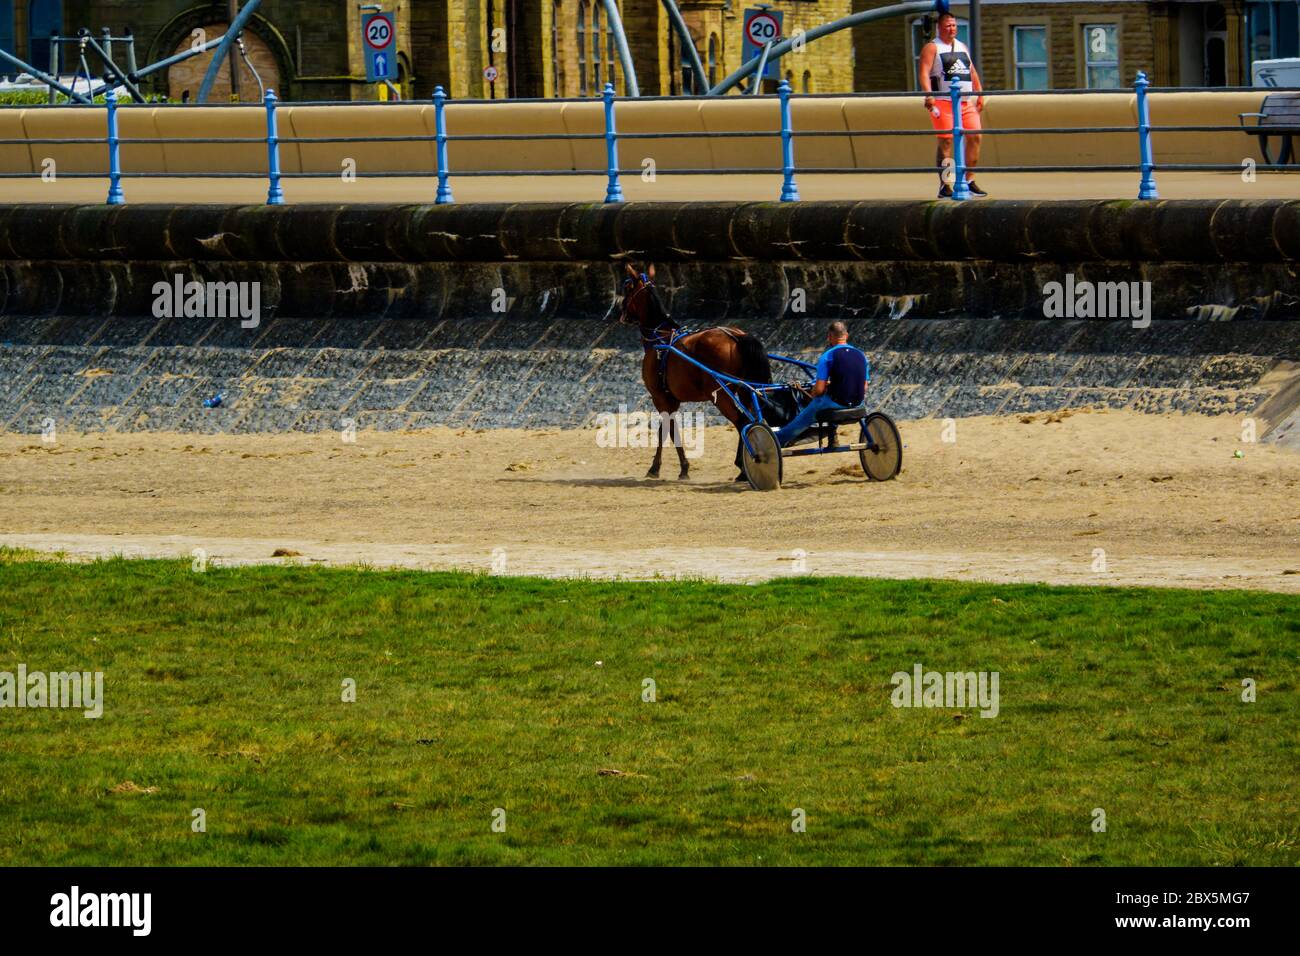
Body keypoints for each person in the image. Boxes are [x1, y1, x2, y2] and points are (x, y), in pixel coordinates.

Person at [918, 13, 987, 198]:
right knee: (946, 140)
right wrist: (929, 95)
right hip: (943, 101)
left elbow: (971, 71)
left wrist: (979, 93)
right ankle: (945, 184)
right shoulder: (932, 48)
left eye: (954, 25)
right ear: (940, 27)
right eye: (948, 26)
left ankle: (969, 179)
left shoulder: (962, 46)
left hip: (965, 101)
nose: (952, 29)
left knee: (975, 137)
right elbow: (924, 72)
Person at [773, 321, 869, 447]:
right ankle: (832, 436)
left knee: (811, 408)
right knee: (834, 394)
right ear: (846, 335)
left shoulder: (828, 356)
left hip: (836, 403)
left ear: (829, 337)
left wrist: (813, 393)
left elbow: (818, 390)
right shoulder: (861, 355)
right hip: (858, 402)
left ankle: (779, 438)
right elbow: (864, 387)